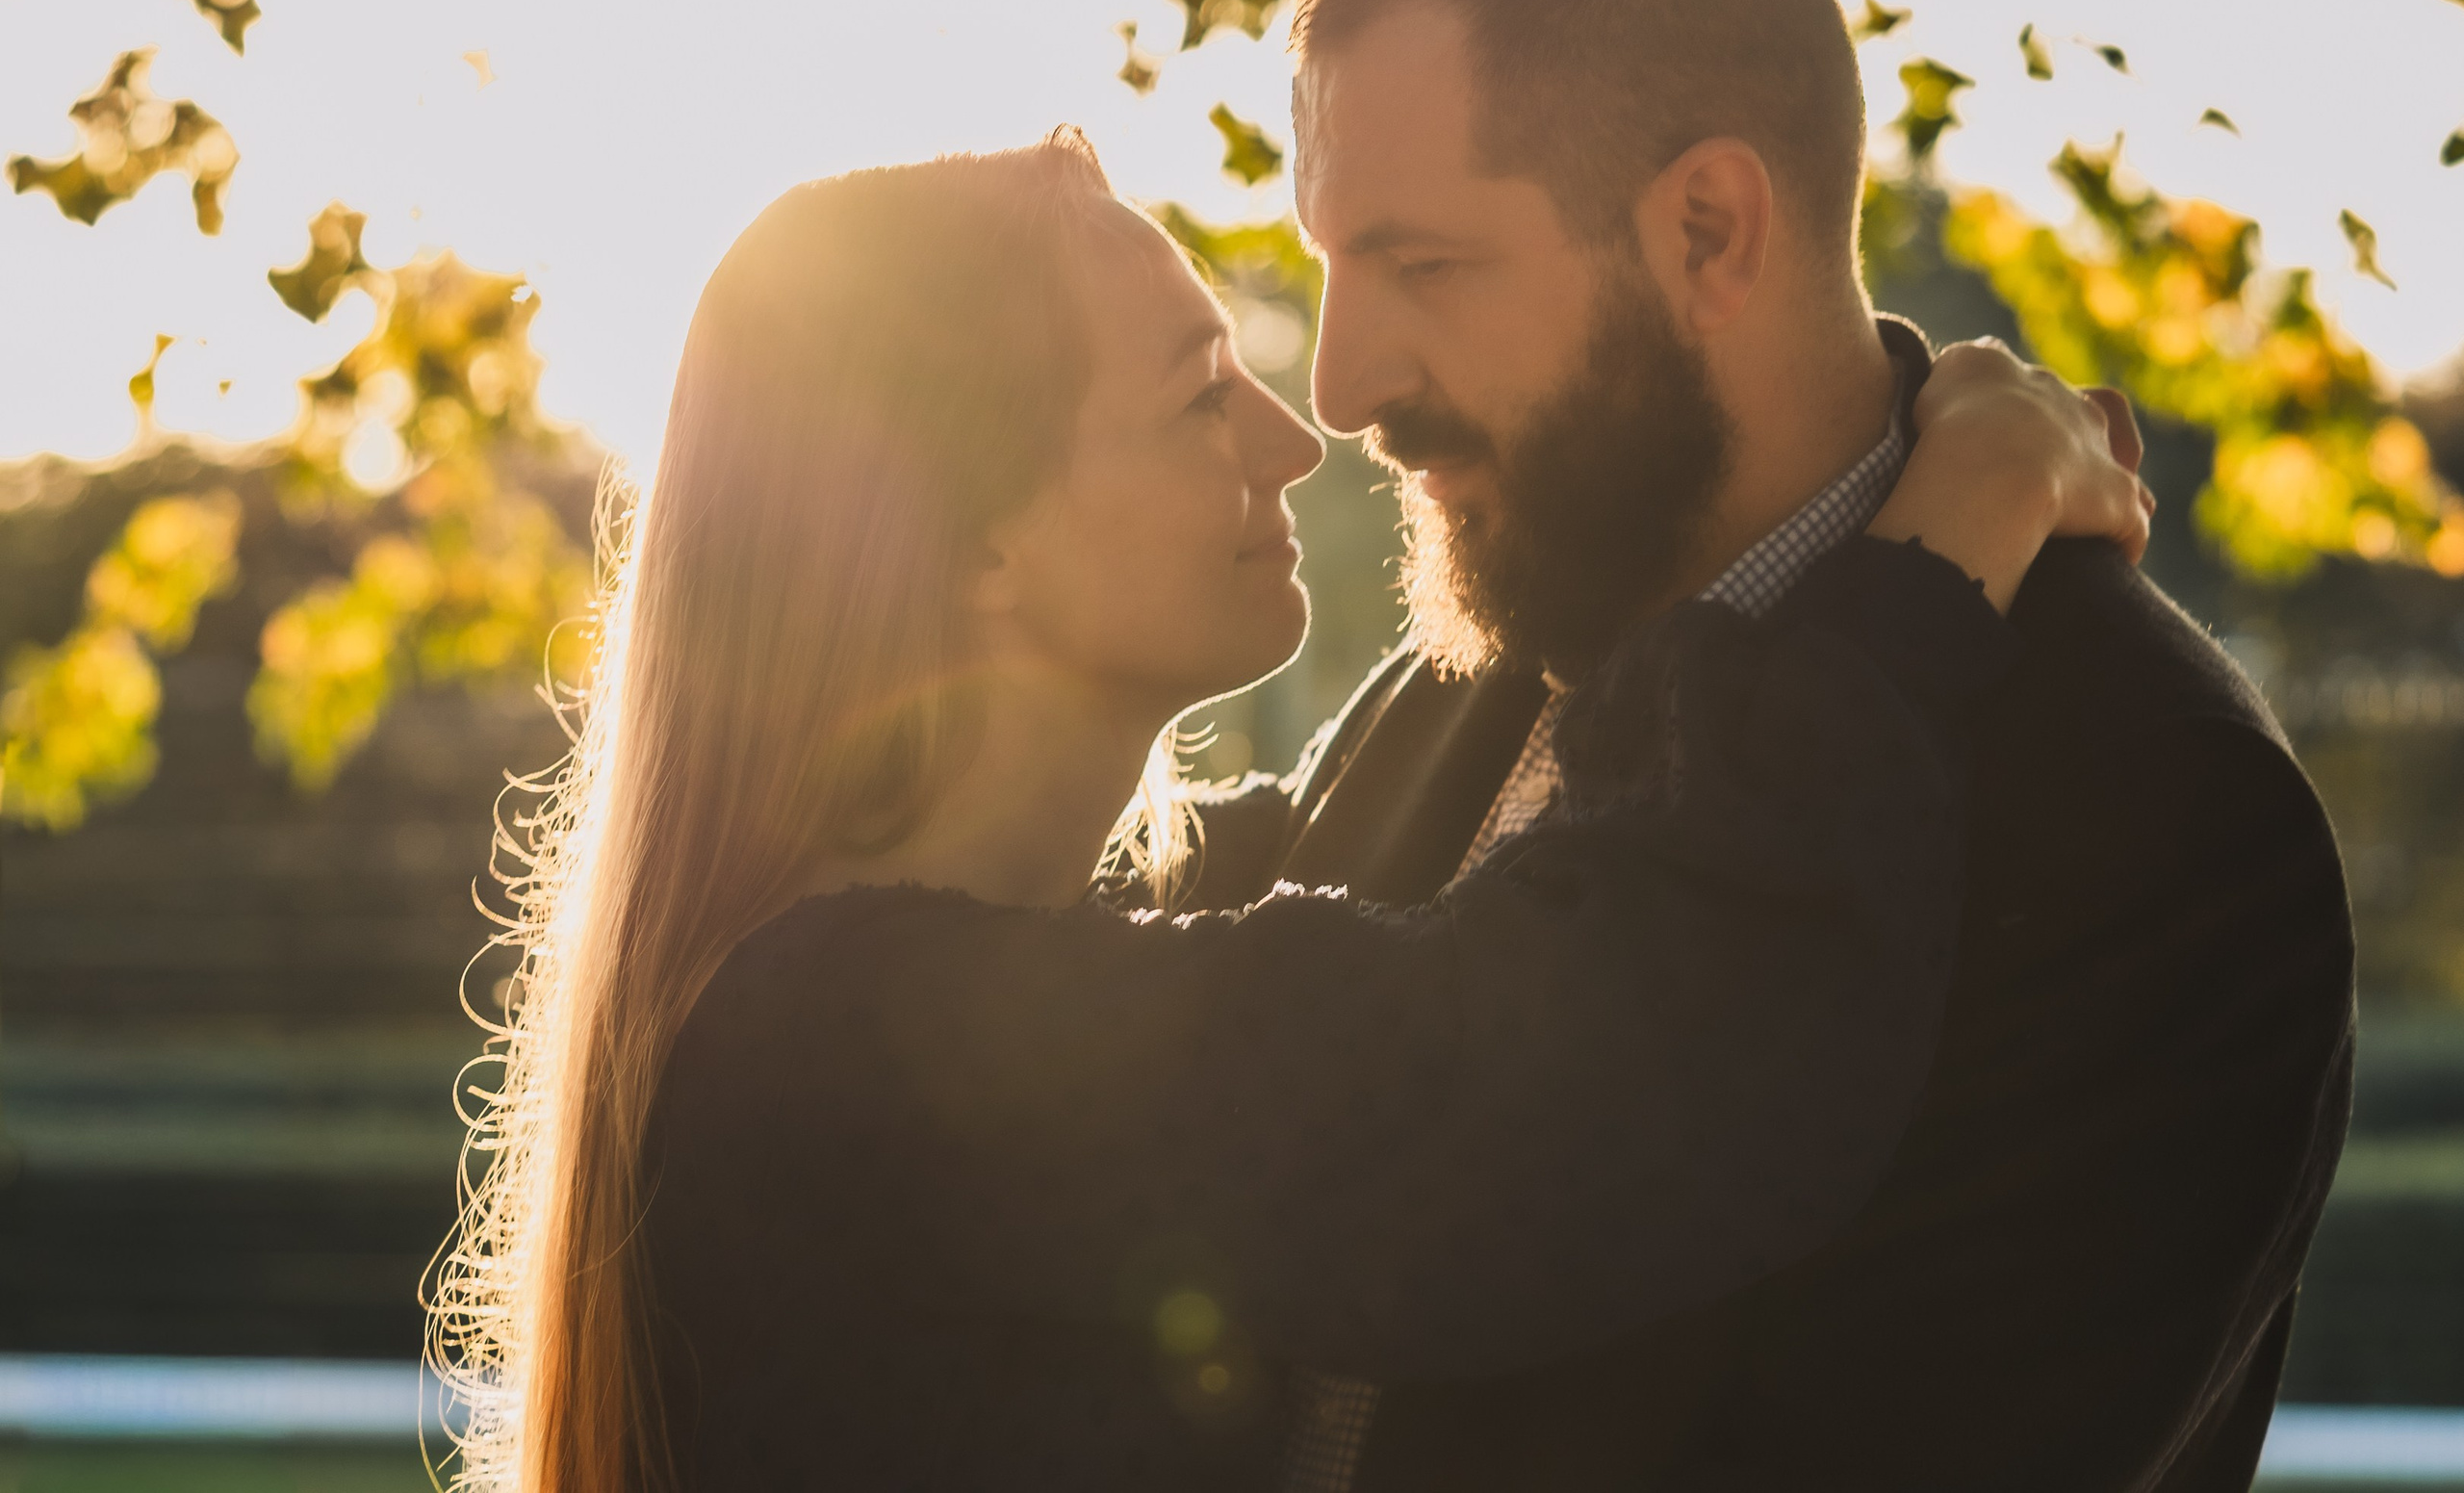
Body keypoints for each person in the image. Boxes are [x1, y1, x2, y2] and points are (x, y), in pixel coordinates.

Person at [424, 133, 2147, 1492]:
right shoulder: (862, 1049)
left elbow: (1379, 848)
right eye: (1195, 391)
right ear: (976, 547)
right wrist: (1934, 557)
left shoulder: (998, 962)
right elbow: (1610, 1075)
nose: (1295, 434)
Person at [1180, 0, 2356, 1488]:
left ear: (1712, 230)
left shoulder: (2155, 817)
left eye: (1422, 264)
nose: (1348, 379)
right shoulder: (1465, 672)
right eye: (1330, 265)